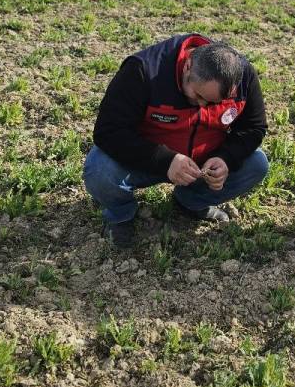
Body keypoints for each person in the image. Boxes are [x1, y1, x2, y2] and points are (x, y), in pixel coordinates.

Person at [84, 34, 269, 248]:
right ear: (188, 66)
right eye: (198, 96)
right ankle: (120, 214)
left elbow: (254, 128)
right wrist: (166, 160)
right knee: (99, 168)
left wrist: (225, 158)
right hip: (146, 160)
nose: (202, 105)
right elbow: (108, 131)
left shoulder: (244, 76)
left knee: (257, 163)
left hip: (202, 164)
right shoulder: (144, 71)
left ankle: (191, 201)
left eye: (212, 102)